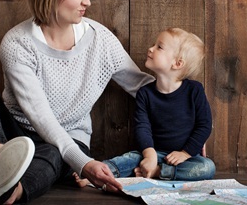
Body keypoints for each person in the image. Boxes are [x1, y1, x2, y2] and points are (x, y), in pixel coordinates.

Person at [0, 0, 154, 204]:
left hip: (70, 140)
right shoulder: (17, 43)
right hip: (16, 135)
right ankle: (1, 159)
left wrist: (191, 115)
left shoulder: (100, 40)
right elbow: (41, 117)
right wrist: (8, 150)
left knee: (56, 152)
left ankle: (9, 192)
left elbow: (143, 86)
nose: (88, 2)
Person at [75, 28, 215, 188]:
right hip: (152, 152)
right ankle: (95, 174)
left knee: (207, 167)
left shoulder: (194, 90)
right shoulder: (145, 93)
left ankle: (157, 172)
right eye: (153, 45)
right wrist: (149, 155)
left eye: (159, 47)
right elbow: (142, 127)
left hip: (184, 158)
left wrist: (185, 153)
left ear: (177, 63)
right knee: (128, 159)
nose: (151, 49)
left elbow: (204, 125)